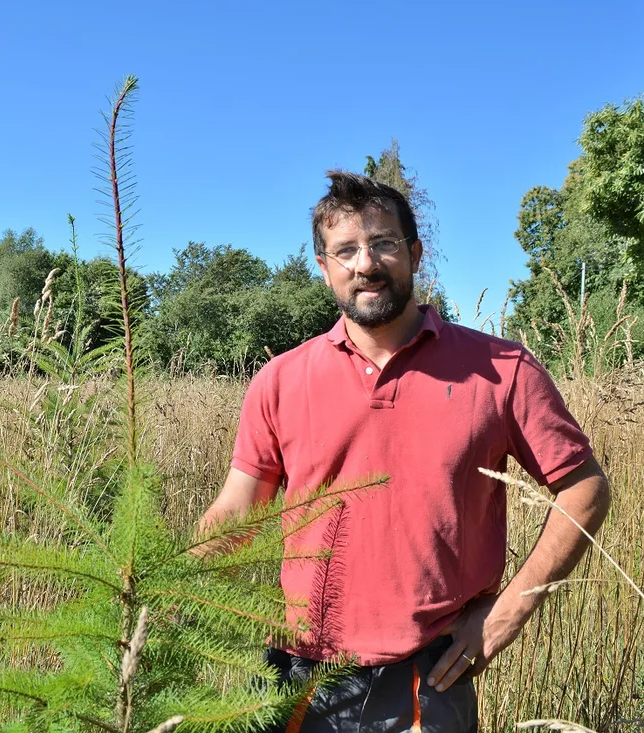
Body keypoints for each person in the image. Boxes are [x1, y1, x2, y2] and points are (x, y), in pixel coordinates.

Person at [196, 171, 612, 732]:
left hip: (429, 676)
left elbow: (585, 488)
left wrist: (508, 611)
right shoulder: (280, 380)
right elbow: (238, 509)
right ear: (324, 268)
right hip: (294, 673)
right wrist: (158, 575)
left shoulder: (502, 371)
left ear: (415, 254)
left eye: (384, 243)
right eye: (345, 251)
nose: (365, 264)